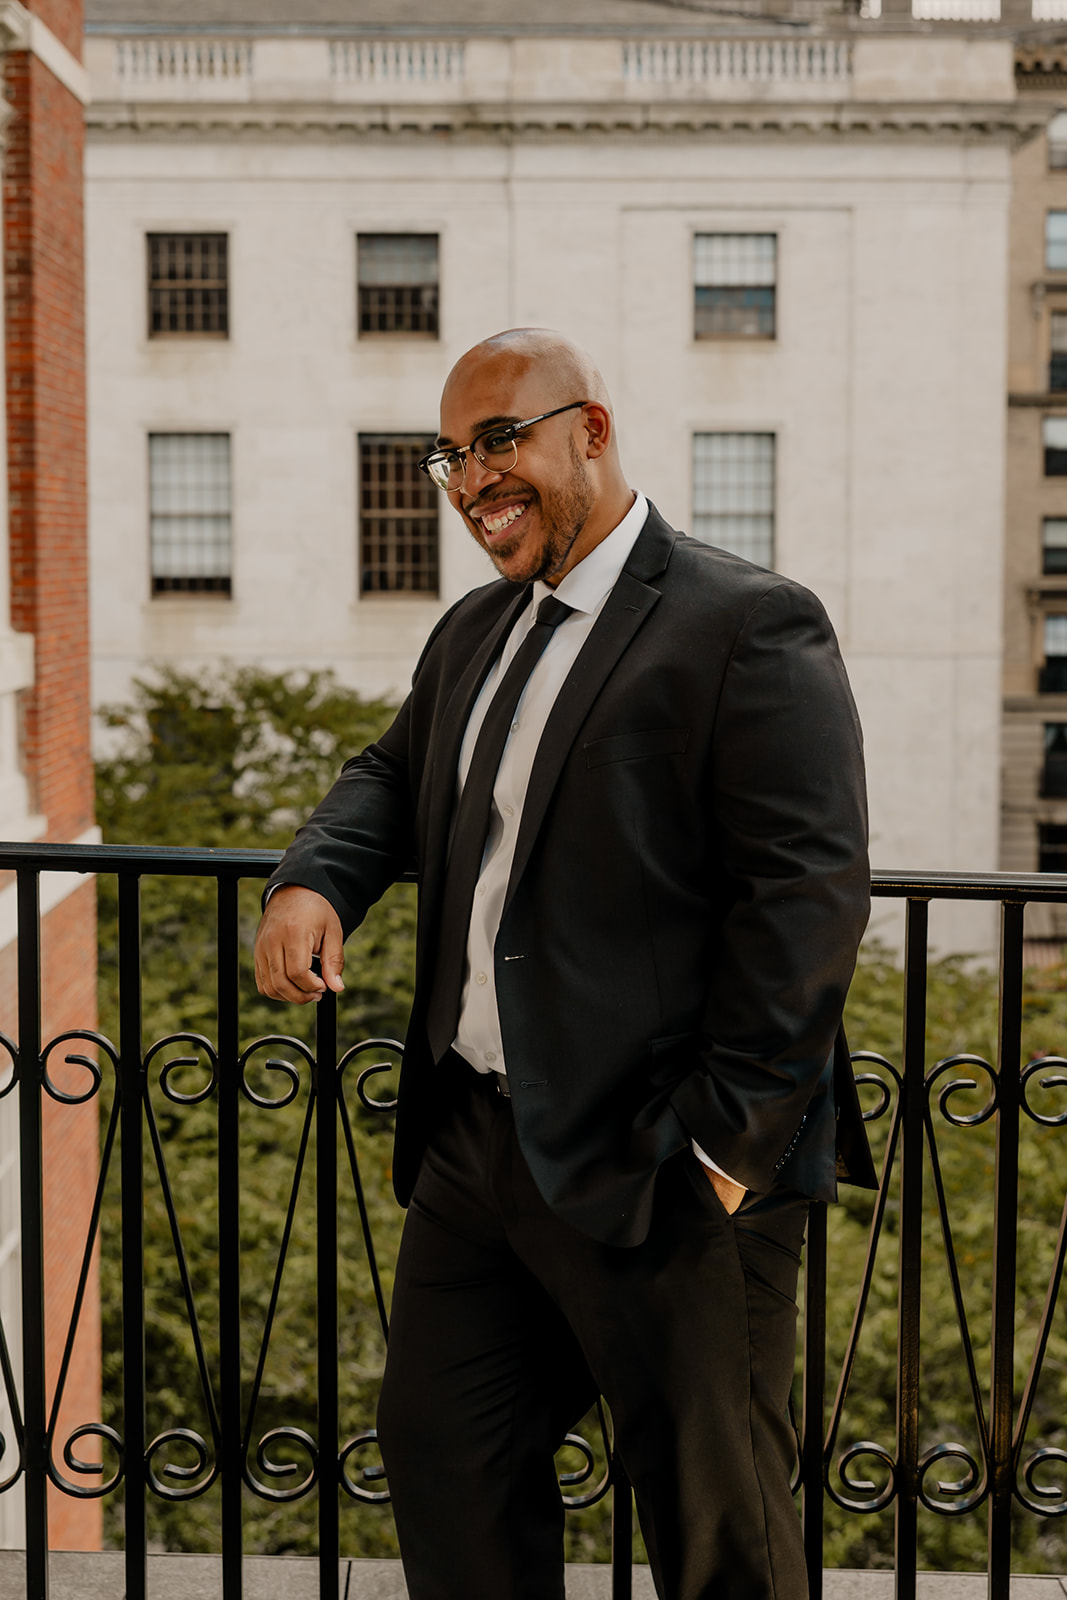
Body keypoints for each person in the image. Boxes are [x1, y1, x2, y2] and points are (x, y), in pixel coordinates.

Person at [254, 328, 876, 1600]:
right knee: (444, 1461)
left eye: (498, 442)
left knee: (721, 1540)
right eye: (449, 457)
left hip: (663, 1158)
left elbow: (804, 900)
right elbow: (389, 773)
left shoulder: (747, 622)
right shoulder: (475, 629)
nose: (471, 479)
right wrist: (314, 875)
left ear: (588, 430)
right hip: (479, 1145)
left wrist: (719, 1153)